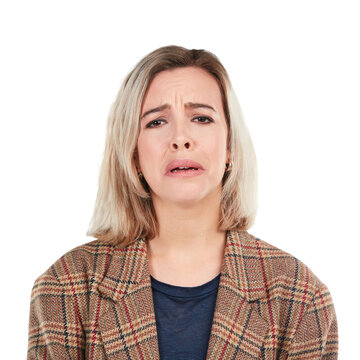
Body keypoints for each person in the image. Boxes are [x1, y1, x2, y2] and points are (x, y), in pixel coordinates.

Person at [27, 45, 338, 359]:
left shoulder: (300, 297)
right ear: (133, 154)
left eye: (201, 118)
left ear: (230, 145)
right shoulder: (66, 286)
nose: (180, 137)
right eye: (156, 122)